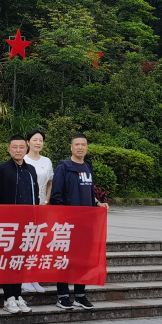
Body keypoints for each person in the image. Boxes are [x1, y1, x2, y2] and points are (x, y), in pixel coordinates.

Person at [50, 133, 108, 311]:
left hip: (86, 223)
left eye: (83, 144)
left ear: (87, 147)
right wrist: (63, 218)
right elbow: (56, 196)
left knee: (83, 260)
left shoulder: (88, 167)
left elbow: (89, 192)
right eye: (77, 144)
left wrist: (97, 203)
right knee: (65, 260)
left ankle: (80, 295)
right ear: (71, 147)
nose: (80, 147)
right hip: (68, 224)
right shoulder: (63, 167)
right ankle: (62, 296)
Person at [0, 136, 38, 315]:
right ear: (9, 149)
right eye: (14, 147)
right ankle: (9, 298)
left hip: (27, 225)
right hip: (8, 225)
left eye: (21, 147)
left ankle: (18, 296)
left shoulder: (30, 170)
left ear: (26, 149)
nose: (18, 150)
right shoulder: (2, 169)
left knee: (20, 261)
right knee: (8, 261)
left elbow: (36, 197)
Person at [22, 128, 53, 293]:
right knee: (26, 242)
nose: (38, 143)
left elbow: (50, 183)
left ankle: (34, 277)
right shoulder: (23, 160)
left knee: (39, 243)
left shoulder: (47, 161)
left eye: (40, 140)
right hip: (26, 207)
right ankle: (24, 278)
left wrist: (46, 201)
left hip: (42, 207)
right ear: (28, 142)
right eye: (35, 139)